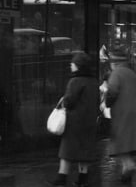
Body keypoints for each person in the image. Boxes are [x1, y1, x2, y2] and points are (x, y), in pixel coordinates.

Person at [48, 52, 99, 187]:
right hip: (89, 122)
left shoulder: (74, 81)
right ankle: (83, 177)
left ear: (78, 66)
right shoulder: (94, 81)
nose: (71, 65)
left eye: (73, 63)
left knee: (67, 151)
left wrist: (63, 100)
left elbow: (69, 101)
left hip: (74, 122)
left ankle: (62, 177)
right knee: (85, 150)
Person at [106, 62, 136, 183]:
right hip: (135, 112)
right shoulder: (132, 74)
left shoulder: (116, 74)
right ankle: (125, 173)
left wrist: (107, 102)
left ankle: (129, 165)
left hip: (121, 113)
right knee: (128, 141)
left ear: (114, 63)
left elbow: (112, 91)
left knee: (119, 141)